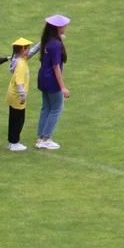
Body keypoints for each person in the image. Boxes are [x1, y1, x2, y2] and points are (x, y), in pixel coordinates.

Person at [36, 14, 71, 150]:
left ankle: (41, 137)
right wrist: (63, 87)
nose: (66, 27)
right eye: (63, 25)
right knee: (56, 108)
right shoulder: (55, 44)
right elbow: (56, 66)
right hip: (52, 80)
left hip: (43, 78)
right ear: (57, 27)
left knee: (46, 107)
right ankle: (46, 139)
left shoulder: (47, 40)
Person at [5, 38, 34, 151]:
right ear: (22, 49)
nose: (29, 50)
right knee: (18, 120)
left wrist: (43, 42)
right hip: (18, 97)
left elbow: (33, 51)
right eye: (28, 48)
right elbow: (19, 82)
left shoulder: (18, 59)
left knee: (13, 118)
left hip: (13, 95)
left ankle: (12, 141)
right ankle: (14, 142)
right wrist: (23, 96)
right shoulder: (21, 64)